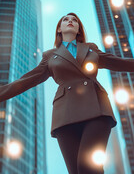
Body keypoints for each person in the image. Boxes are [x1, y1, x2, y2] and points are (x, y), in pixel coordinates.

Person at [0, 12, 134, 174]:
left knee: (88, 166)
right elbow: (25, 81)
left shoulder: (90, 49)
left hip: (97, 110)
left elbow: (120, 63)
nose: (70, 21)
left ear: (78, 30)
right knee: (75, 171)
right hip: (65, 115)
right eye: (65, 20)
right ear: (59, 29)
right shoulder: (50, 56)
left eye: (74, 20)